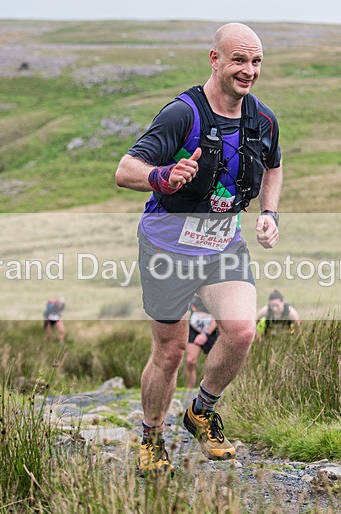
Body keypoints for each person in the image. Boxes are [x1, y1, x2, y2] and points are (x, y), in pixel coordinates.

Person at [115, 22, 283, 475]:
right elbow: (125, 169)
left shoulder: (263, 120)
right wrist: (162, 177)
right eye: (239, 60)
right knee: (170, 351)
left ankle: (201, 412)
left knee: (243, 331)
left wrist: (269, 214)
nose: (248, 70)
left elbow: (273, 167)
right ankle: (151, 437)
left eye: (256, 62)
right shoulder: (181, 115)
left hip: (222, 245)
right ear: (215, 59)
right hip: (167, 247)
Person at [183, 294, 219, 389]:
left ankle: (211, 391)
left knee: (214, 364)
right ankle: (188, 391)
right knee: (190, 361)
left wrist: (205, 334)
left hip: (212, 329)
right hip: (194, 327)